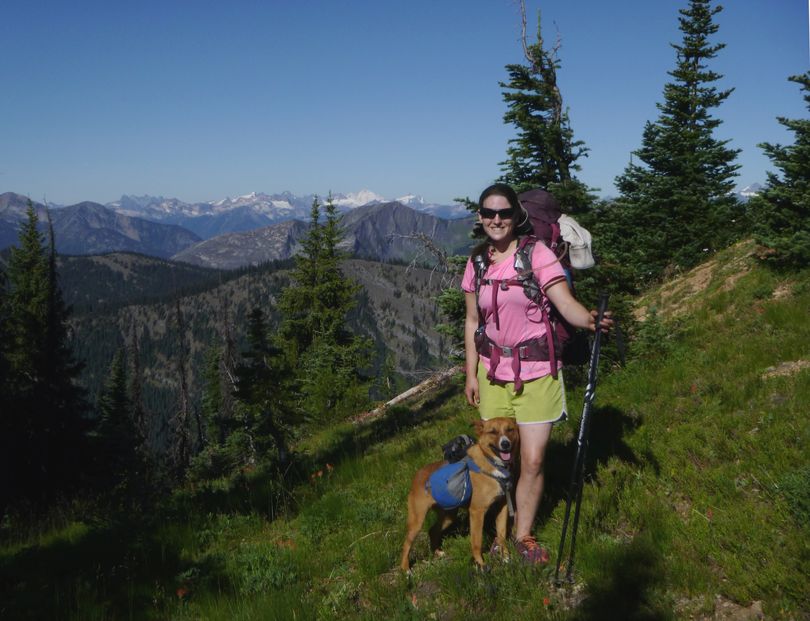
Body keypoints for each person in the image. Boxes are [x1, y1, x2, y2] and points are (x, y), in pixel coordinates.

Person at [461, 182, 612, 563]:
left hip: (538, 371)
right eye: (489, 213)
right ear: (480, 218)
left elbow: (565, 303)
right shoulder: (477, 262)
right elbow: (471, 320)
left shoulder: (538, 254)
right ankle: (498, 535)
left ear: (516, 216)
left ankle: (522, 535)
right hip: (493, 373)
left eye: (504, 213)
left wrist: (590, 322)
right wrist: (470, 374)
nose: (497, 219)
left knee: (531, 460)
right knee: (498, 459)